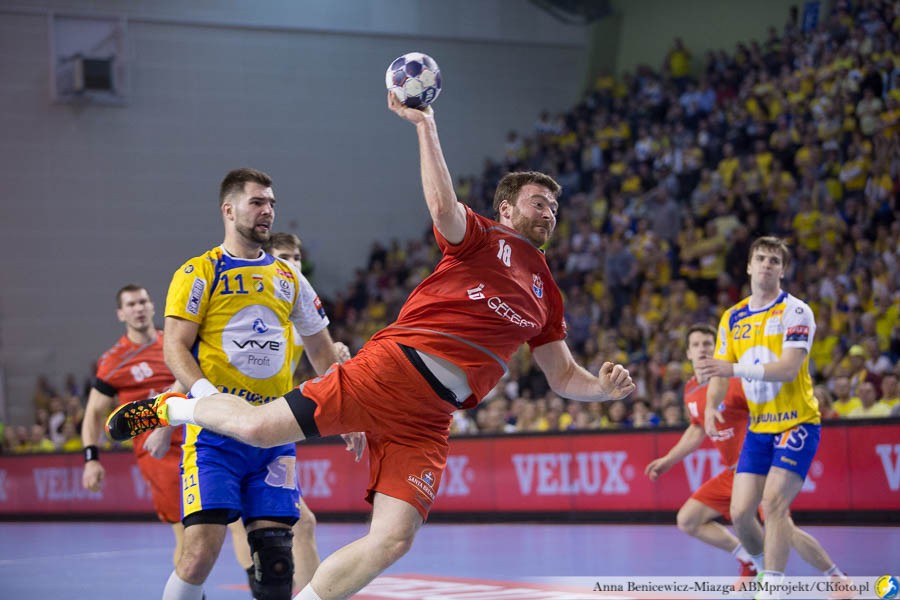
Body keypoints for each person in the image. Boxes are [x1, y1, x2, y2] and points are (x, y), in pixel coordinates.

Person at [108, 94, 635, 600]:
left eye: (554, 207)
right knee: (256, 429)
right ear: (507, 208)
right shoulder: (482, 237)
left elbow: (563, 376)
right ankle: (171, 407)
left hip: (431, 416)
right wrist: (425, 125)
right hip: (390, 372)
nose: (549, 212)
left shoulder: (547, 293)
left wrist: (603, 390)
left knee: (394, 538)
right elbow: (441, 204)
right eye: (538, 202)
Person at [149, 168, 349, 600]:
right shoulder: (199, 271)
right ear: (228, 209)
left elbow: (321, 351)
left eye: (271, 203)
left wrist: (347, 410)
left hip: (274, 437)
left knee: (277, 564)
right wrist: (207, 399)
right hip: (214, 438)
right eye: (257, 202)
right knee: (199, 554)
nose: (267, 211)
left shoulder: (290, 278)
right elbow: (175, 348)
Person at [695, 236, 847, 599]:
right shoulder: (732, 317)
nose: (766, 264)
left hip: (797, 423)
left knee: (775, 504)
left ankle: (774, 588)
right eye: (761, 258)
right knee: (740, 513)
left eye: (774, 260)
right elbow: (718, 373)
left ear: (782, 270)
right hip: (760, 428)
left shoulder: (797, 311)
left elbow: (789, 369)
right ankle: (805, 572)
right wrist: (712, 405)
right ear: (749, 266)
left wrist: (733, 369)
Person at [646, 323, 850, 589]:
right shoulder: (691, 390)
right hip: (732, 473)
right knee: (688, 520)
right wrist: (668, 460)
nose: (702, 349)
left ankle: (836, 577)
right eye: (696, 345)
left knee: (783, 528)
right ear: (688, 353)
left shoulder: (735, 381)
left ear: (718, 349)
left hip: (756, 469)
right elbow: (697, 429)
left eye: (708, 344)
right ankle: (750, 560)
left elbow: (766, 409)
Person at [80, 285, 256, 580]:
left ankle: (261, 587)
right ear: (121, 313)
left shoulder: (175, 344)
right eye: (131, 304)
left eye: (143, 302)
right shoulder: (113, 361)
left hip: (199, 439)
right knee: (188, 533)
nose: (139, 308)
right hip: (158, 453)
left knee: (236, 517)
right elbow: (94, 412)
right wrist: (91, 459)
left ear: (152, 306)